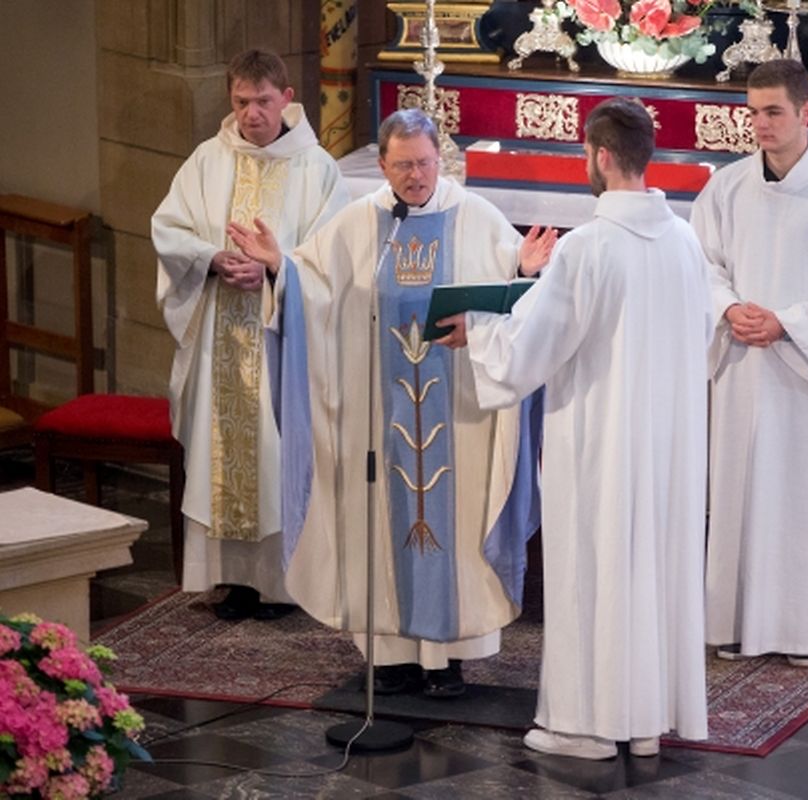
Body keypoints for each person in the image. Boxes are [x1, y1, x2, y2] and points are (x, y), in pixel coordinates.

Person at [227, 108, 555, 697]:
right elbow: (313, 288)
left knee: (457, 526)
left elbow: (511, 294)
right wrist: (280, 267)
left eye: (424, 163)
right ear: (382, 165)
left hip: (461, 414)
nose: (416, 176)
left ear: (438, 161)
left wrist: (521, 269)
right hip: (376, 417)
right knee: (376, 521)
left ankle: (448, 660)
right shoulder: (360, 223)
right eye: (403, 165)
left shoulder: (476, 217)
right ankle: (391, 657)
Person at [438, 97, 712, 759]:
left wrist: (478, 329)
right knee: (648, 572)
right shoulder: (683, 239)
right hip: (665, 444)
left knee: (596, 569)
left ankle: (585, 726)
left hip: (600, 442)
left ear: (603, 156)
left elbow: (534, 345)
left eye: (586, 152)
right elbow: (700, 333)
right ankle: (643, 722)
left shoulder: (589, 247)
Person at [692, 59, 808, 667]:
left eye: (774, 111)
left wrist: (787, 324)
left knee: (804, 500)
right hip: (744, 366)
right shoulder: (726, 188)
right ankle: (735, 622)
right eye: (753, 113)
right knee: (741, 494)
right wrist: (727, 309)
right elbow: (701, 265)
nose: (761, 124)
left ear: (807, 113)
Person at [152, 49, 349, 621]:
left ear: (286, 98)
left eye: (263, 101)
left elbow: (334, 258)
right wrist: (213, 259)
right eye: (241, 102)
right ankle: (234, 581)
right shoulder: (207, 160)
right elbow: (168, 228)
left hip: (281, 341)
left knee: (276, 453)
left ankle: (283, 584)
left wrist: (274, 269)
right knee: (223, 455)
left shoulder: (317, 169)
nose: (251, 114)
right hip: (221, 332)